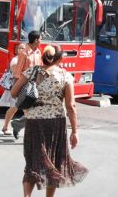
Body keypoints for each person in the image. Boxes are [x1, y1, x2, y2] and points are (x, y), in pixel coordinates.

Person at [10, 45, 88, 196]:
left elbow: (14, 92)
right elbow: (70, 106)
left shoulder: (31, 71)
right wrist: (75, 132)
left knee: (32, 162)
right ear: (60, 58)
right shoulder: (65, 76)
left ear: (44, 56)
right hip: (55, 124)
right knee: (54, 161)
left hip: (33, 122)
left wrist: (29, 106)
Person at [11, 30, 43, 139]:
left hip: (36, 86)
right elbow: (17, 72)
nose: (41, 41)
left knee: (34, 111)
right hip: (24, 85)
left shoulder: (38, 52)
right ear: (36, 40)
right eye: (40, 39)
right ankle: (31, 134)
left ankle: (18, 125)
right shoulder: (24, 53)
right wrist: (15, 89)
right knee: (29, 111)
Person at [0, 43, 26, 135]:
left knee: (27, 109)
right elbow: (16, 73)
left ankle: (26, 128)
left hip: (24, 87)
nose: (21, 50)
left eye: (23, 48)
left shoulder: (26, 59)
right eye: (20, 48)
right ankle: (6, 127)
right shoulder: (15, 60)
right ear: (17, 50)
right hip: (16, 87)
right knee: (14, 108)